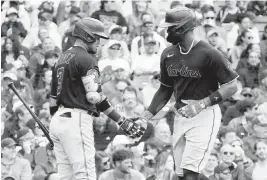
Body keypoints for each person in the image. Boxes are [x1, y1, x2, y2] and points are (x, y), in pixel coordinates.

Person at [135, 7, 239, 180]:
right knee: (181, 174)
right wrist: (144, 117)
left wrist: (201, 104)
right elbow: (164, 89)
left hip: (205, 114)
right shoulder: (168, 54)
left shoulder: (209, 53)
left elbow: (232, 86)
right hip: (181, 114)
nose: (167, 31)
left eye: (171, 27)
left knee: (191, 172)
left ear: (183, 27)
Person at [49, 17, 144, 180]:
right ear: (87, 36)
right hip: (77, 119)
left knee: (67, 176)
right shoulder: (86, 58)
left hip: (59, 119)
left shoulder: (62, 58)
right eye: (97, 37)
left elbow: (52, 100)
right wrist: (122, 121)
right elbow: (95, 97)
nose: (99, 42)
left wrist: (57, 124)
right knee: (85, 174)